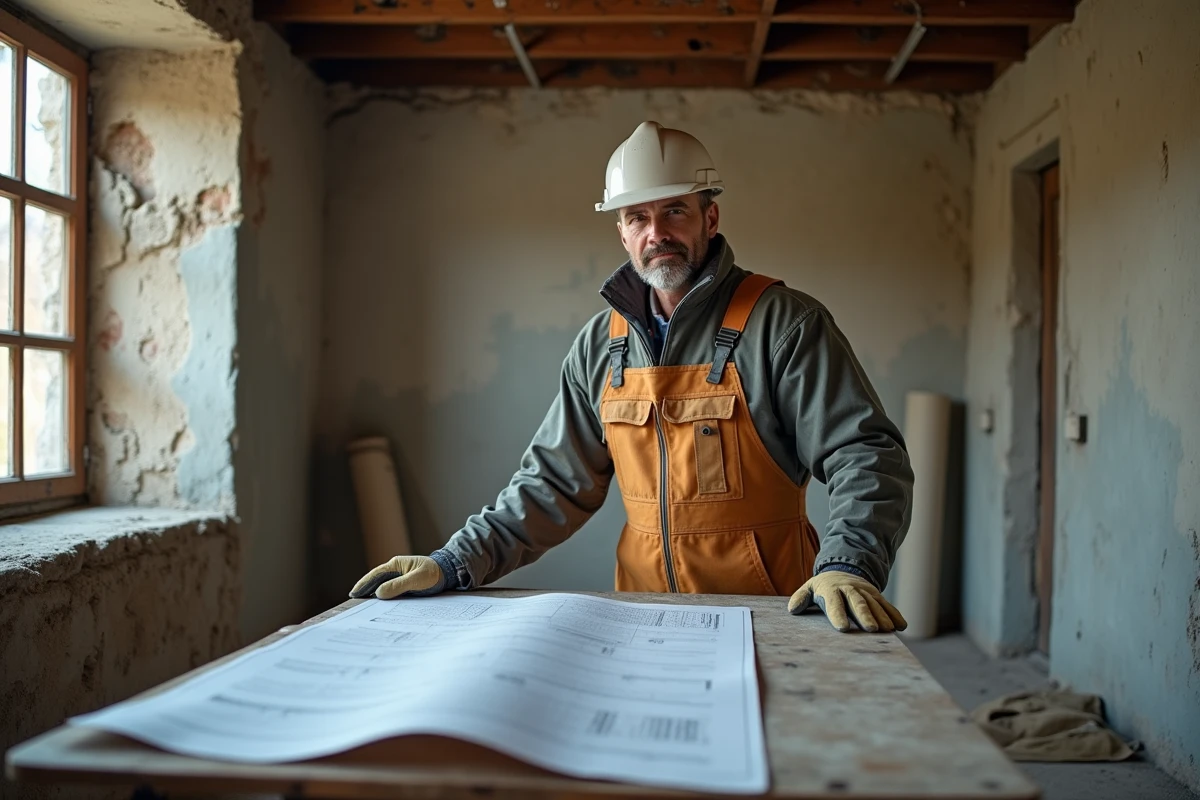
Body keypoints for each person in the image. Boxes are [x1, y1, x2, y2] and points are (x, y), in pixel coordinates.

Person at [351, 121, 914, 633]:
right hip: (640, 619)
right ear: (621, 232)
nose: (657, 233)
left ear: (709, 218)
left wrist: (848, 562)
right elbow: (550, 485)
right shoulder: (602, 344)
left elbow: (865, 453)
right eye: (638, 217)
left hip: (771, 616)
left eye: (675, 211)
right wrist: (453, 562)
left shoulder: (784, 323)